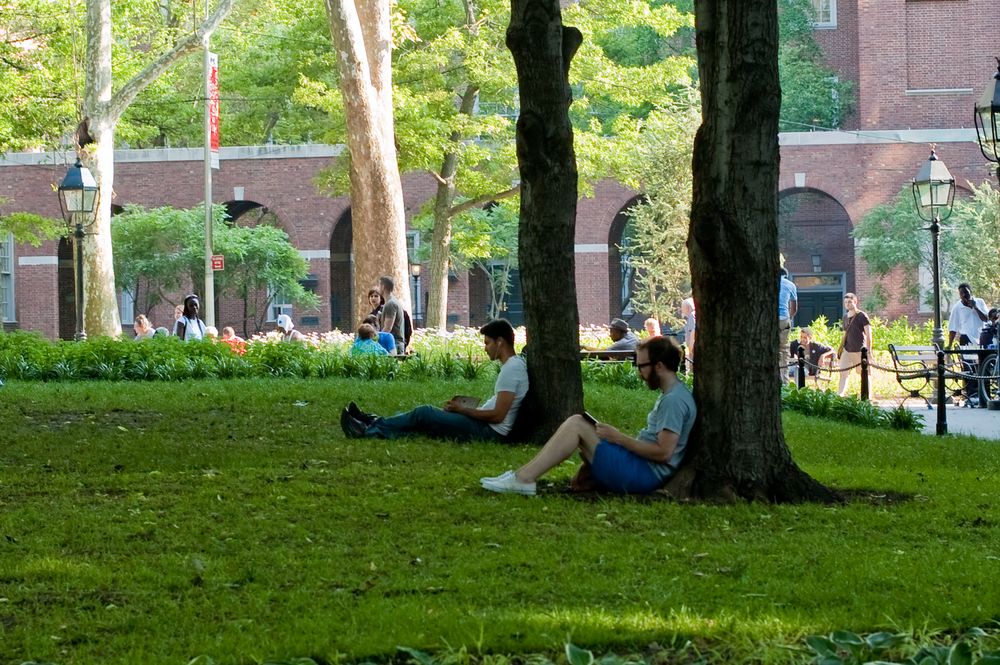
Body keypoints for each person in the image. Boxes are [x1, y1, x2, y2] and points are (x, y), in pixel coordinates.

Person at [480, 336, 696, 496]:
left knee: (576, 425)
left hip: (642, 474)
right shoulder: (673, 395)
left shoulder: (673, 401)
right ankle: (521, 475)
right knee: (581, 424)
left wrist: (618, 438)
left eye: (641, 366)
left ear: (659, 366)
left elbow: (663, 453)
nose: (639, 373)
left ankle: (523, 479)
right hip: (638, 467)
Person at [341, 319, 528, 441]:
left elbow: (498, 415)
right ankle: (372, 422)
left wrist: (464, 410)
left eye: (488, 343)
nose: (485, 348)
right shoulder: (513, 366)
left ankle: (367, 430)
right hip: (484, 426)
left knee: (424, 413)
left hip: (488, 433)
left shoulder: (511, 369)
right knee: (417, 419)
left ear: (500, 342)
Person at [947, 283, 989, 406]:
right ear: (959, 295)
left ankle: (984, 393)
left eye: (966, 292)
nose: (964, 295)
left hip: (981, 339)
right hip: (966, 338)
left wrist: (975, 307)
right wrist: (949, 344)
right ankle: (972, 394)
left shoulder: (979, 302)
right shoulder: (957, 308)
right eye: (961, 293)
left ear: (971, 292)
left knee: (983, 365)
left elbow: (986, 318)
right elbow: (953, 328)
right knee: (969, 367)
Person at [837, 292, 872, 396]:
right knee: (843, 373)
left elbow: (869, 334)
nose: (847, 304)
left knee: (865, 374)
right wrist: (840, 349)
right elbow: (844, 334)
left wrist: (869, 351)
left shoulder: (862, 316)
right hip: (847, 350)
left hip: (860, 350)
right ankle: (840, 395)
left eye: (850, 302)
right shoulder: (845, 317)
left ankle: (867, 395)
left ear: (855, 302)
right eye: (846, 302)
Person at [378, 276, 408, 353]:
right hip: (394, 344)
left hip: (393, 345)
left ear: (383, 286)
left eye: (379, 285)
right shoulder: (391, 302)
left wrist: (376, 341)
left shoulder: (390, 304)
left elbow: (387, 328)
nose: (378, 288)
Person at [778, 267, 798, 382]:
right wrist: (789, 318)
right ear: (786, 275)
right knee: (784, 348)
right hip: (784, 317)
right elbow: (794, 307)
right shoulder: (790, 285)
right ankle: (784, 380)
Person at [680, 297, 696, 371]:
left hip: (693, 348)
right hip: (693, 347)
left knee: (693, 369)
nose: (682, 309)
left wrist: (690, 347)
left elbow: (693, 330)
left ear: (688, 307)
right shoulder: (691, 316)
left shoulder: (692, 315)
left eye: (683, 307)